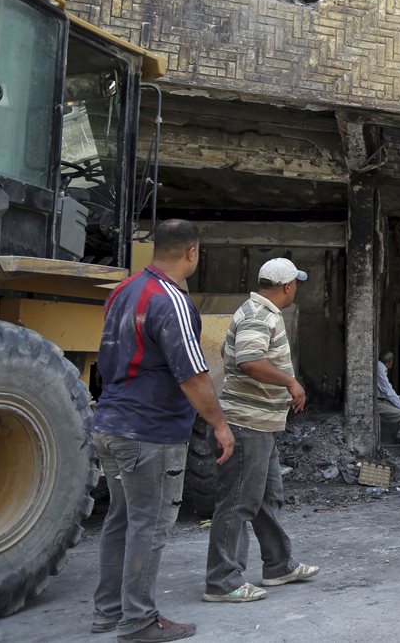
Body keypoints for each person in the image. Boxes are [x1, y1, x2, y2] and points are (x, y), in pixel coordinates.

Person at [90, 219, 234, 642]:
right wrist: (220, 425)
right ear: (192, 252)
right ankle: (138, 620)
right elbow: (192, 374)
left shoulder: (124, 290)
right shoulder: (171, 299)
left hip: (112, 425)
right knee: (148, 525)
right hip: (149, 431)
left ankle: (108, 611)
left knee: (122, 519)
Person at [205, 258, 319, 603]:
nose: (297, 288)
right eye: (296, 283)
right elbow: (249, 360)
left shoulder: (260, 311)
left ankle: (278, 565)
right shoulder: (259, 314)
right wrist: (290, 383)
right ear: (288, 286)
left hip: (261, 425)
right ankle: (222, 581)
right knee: (239, 501)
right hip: (246, 424)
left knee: (267, 498)